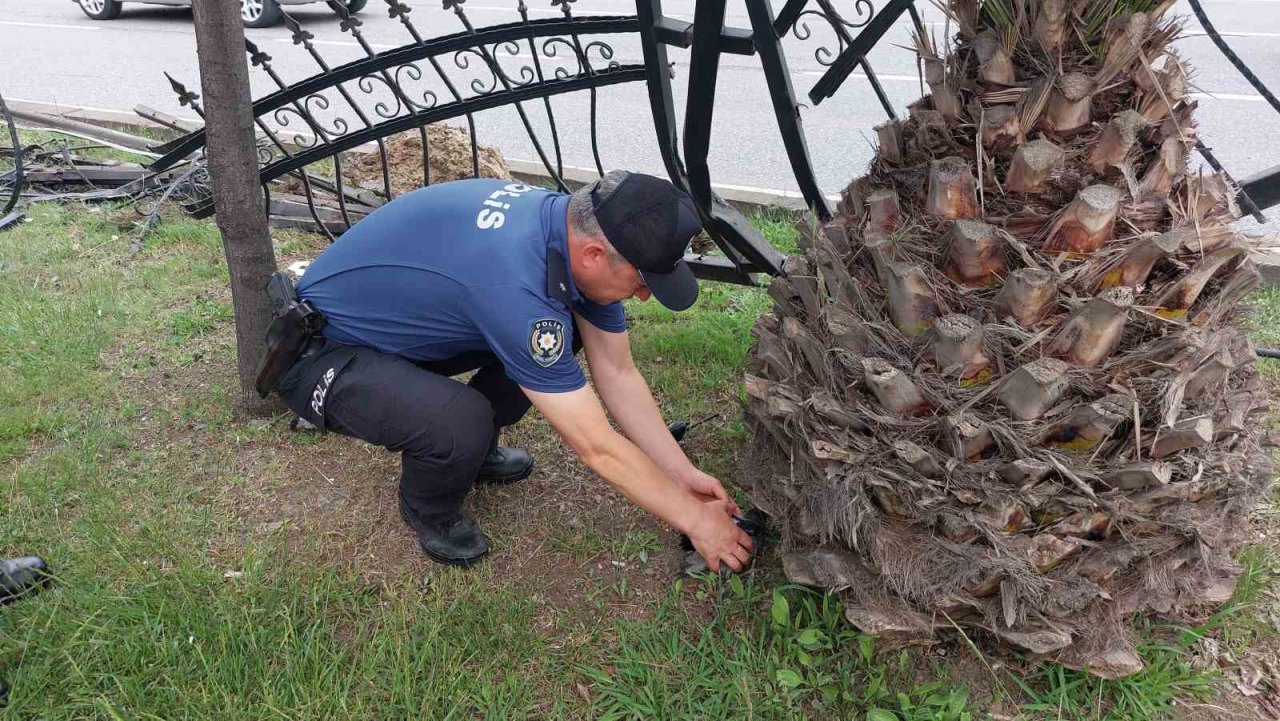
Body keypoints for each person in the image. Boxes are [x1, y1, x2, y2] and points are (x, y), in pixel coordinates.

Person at [277, 170, 754, 571]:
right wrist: (694, 520)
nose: (646, 295)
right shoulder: (515, 279)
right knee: (460, 420)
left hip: (397, 328)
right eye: (643, 281)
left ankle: (473, 454)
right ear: (593, 256)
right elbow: (596, 447)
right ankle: (431, 509)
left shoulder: (569, 235)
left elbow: (618, 372)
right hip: (322, 354)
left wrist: (681, 474)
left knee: (554, 341)